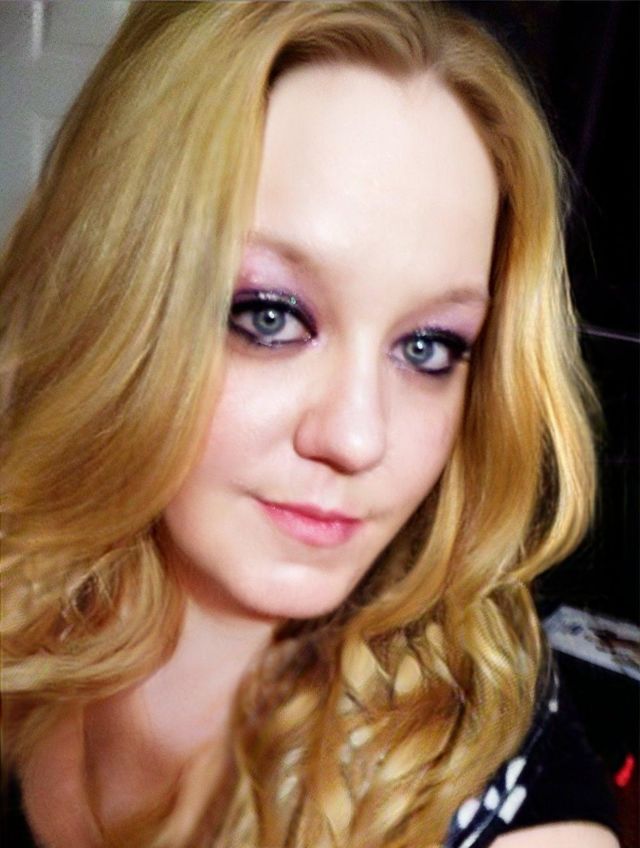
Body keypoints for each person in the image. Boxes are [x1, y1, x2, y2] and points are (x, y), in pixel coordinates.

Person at [0, 2, 621, 846]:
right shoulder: (27, 590)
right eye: (269, 315)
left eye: (430, 346)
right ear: (115, 297)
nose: (358, 439)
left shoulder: (496, 795)